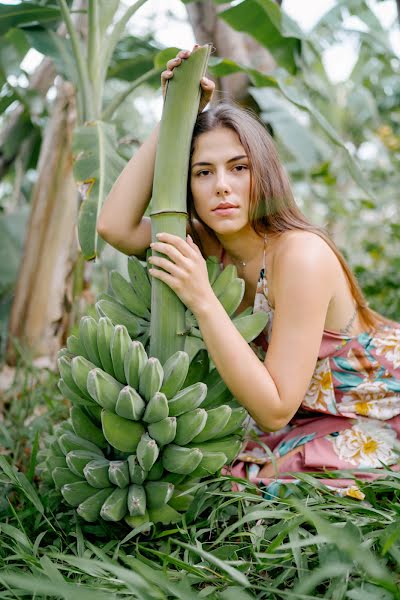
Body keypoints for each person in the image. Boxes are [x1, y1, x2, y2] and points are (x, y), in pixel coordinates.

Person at [97, 46, 400, 500]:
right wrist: (175, 116)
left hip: (381, 405)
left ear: (265, 174)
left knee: (256, 483)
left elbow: (276, 408)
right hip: (314, 414)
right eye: (203, 172)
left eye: (239, 168)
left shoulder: (299, 255)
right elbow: (114, 226)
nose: (222, 185)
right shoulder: (207, 246)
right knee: (227, 472)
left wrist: (202, 297)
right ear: (187, 187)